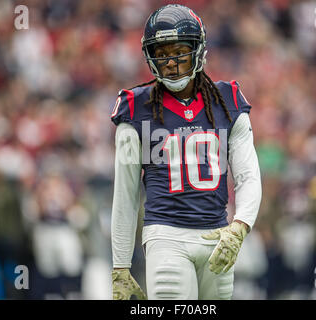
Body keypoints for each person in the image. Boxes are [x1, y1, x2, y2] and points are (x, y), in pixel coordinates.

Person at [110, 4, 262, 300]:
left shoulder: (227, 101)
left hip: (218, 236)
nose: (170, 62)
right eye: (162, 54)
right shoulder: (135, 108)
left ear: (198, 50)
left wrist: (240, 226)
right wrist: (120, 265)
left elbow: (248, 175)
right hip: (166, 237)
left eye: (178, 50)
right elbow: (126, 195)